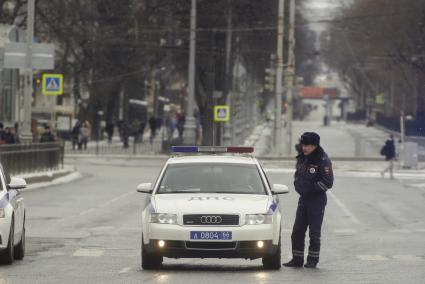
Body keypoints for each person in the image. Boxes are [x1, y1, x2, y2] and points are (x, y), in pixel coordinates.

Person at [283, 132, 334, 269]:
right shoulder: (302, 158)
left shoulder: (322, 160)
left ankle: (312, 260)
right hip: (304, 199)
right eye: (304, 144)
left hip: (317, 200)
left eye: (308, 145)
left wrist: (311, 189)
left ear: (315, 146)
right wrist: (297, 185)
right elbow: (298, 175)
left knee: (314, 233)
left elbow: (328, 182)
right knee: (297, 232)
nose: (305, 148)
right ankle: (297, 259)